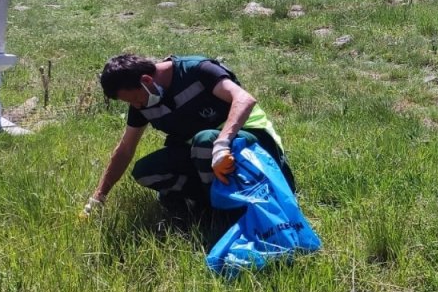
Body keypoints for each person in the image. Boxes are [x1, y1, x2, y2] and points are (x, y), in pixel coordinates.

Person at [83, 54, 294, 222]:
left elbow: (244, 99)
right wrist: (99, 196)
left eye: (136, 99)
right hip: (207, 156)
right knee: (145, 171)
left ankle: (224, 217)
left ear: (146, 80)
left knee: (204, 140)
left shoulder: (197, 70)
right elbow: (125, 150)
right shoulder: (143, 103)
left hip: (254, 146)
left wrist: (222, 143)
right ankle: (207, 207)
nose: (137, 106)